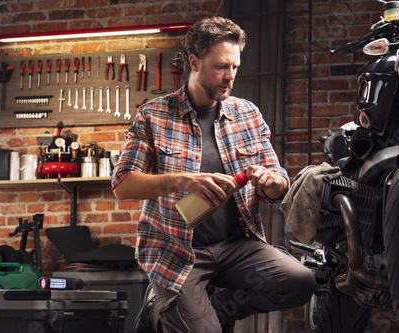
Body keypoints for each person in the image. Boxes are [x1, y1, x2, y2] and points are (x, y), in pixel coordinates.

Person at [112, 16, 316, 333]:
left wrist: (275, 183)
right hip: (178, 251)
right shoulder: (154, 115)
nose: (230, 76)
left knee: (300, 282)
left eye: (234, 67)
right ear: (194, 61)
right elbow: (123, 185)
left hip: (236, 246)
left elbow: (276, 183)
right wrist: (181, 180)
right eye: (222, 66)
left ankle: (218, 310)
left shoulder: (247, 113)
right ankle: (162, 312)